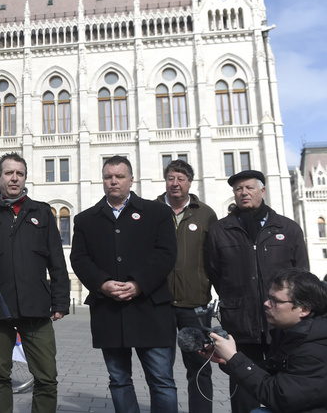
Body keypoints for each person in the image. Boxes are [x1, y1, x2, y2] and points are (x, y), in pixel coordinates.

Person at [70, 155, 178, 413]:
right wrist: (102, 283)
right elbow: (79, 258)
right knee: (119, 381)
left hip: (150, 308)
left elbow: (166, 253)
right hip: (109, 310)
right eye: (108, 177)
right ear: (103, 180)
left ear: (132, 179)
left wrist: (139, 283)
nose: (113, 182)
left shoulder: (157, 212)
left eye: (119, 176)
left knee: (162, 381)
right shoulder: (86, 219)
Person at [205, 169, 309, 413]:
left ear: (262, 190)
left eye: (249, 187)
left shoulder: (289, 228)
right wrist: (237, 299)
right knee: (242, 386)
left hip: (283, 325)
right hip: (240, 322)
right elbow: (215, 273)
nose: (244, 193)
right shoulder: (220, 230)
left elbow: (301, 275)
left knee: (287, 386)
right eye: (238, 189)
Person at [0, 152, 70, 413]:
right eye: (9, 173)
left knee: (46, 378)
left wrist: (60, 301)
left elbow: (56, 259)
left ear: (25, 177)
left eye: (19, 173)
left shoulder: (42, 211)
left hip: (36, 308)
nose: (14, 178)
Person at [204, 268, 327, 413]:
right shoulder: (290, 333)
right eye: (269, 298)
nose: (267, 304)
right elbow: (271, 369)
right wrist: (228, 359)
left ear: (304, 310)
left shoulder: (314, 348)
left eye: (275, 301)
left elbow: (281, 397)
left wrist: (234, 358)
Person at [156, 159, 218, 413]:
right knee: (160, 368)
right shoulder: (153, 210)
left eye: (181, 178)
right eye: (171, 178)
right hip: (159, 304)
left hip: (195, 306)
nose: (175, 183)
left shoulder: (205, 213)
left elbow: (215, 257)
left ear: (189, 183)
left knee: (199, 367)